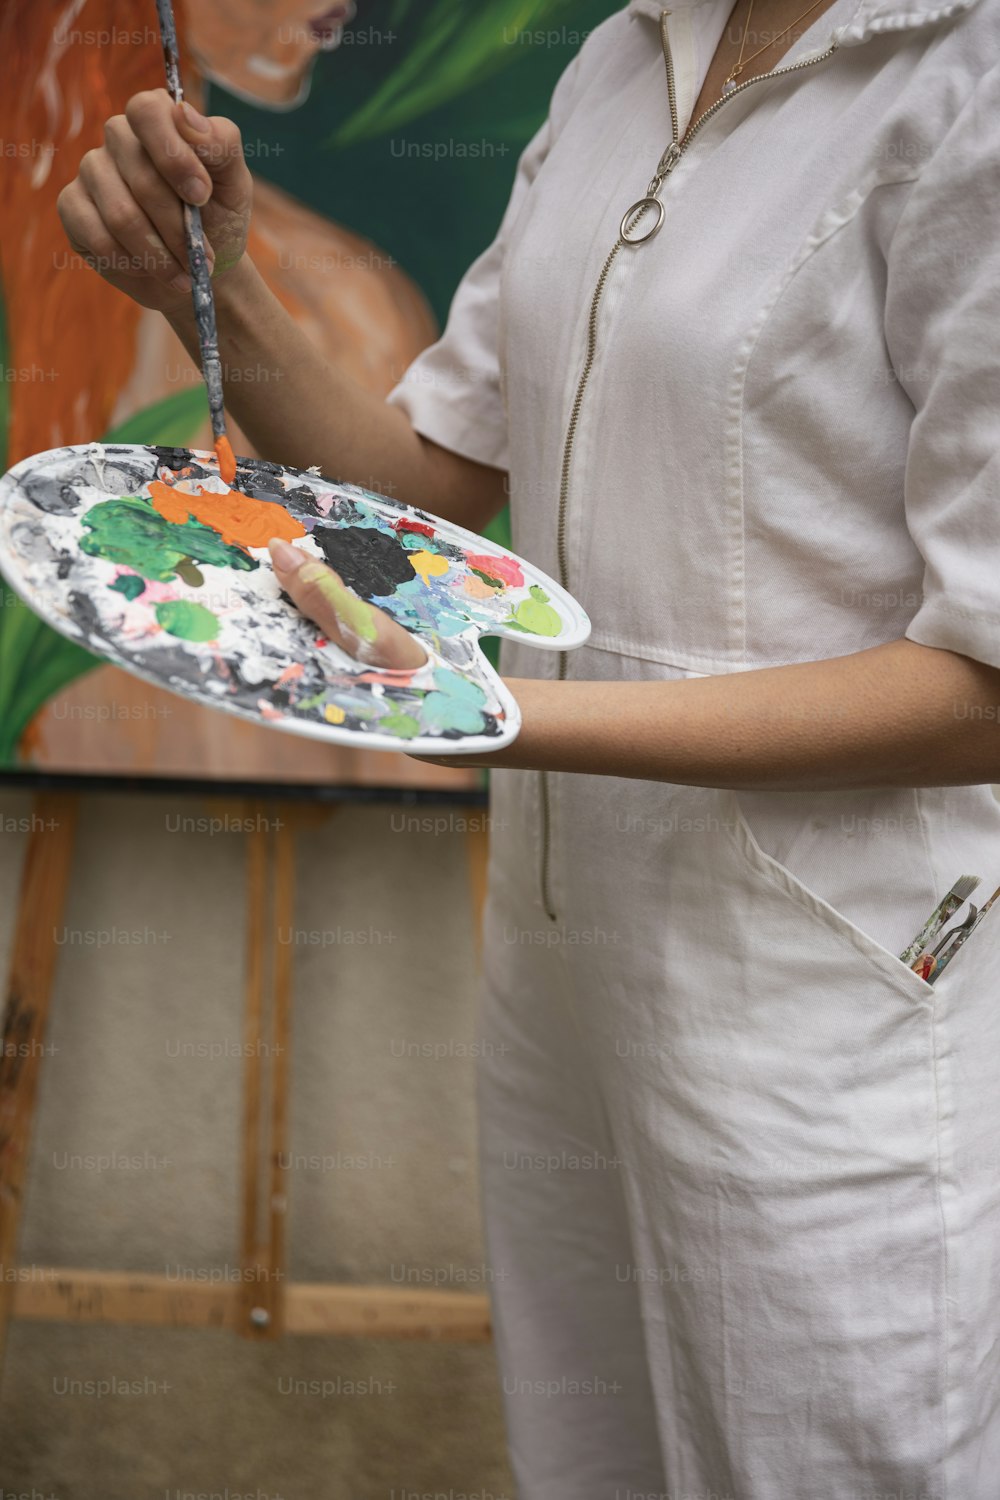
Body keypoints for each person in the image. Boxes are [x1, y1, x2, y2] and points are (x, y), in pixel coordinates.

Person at [58, 0, 1000, 1492]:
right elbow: (430, 478)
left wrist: (506, 717)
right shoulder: (628, 56)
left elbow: (986, 683)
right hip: (563, 974)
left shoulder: (968, 81)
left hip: (827, 1010)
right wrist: (213, 282)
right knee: (591, 1460)